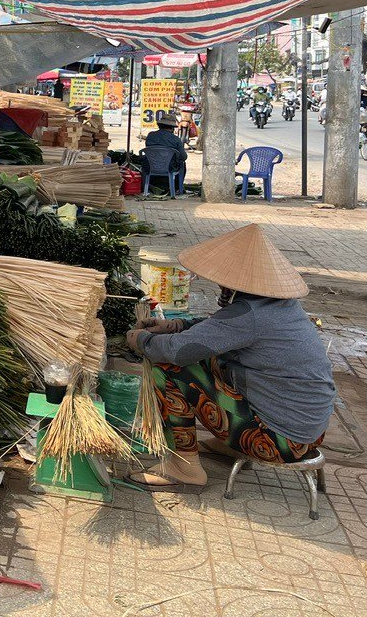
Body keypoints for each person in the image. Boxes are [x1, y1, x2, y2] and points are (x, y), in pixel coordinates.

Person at [126, 223, 334, 491]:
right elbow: (220, 331)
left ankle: (184, 468)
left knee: (168, 366)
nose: (221, 286)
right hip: (309, 436)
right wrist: (178, 326)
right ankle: (228, 441)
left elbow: (178, 351)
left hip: (276, 442)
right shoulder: (276, 305)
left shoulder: (251, 315)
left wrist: (141, 340)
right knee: (209, 359)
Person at [141, 111, 187, 190]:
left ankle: (149, 186)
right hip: (169, 168)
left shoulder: (150, 136)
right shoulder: (176, 139)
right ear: (172, 128)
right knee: (182, 164)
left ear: (160, 125)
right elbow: (183, 157)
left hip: (151, 166)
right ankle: (177, 188)